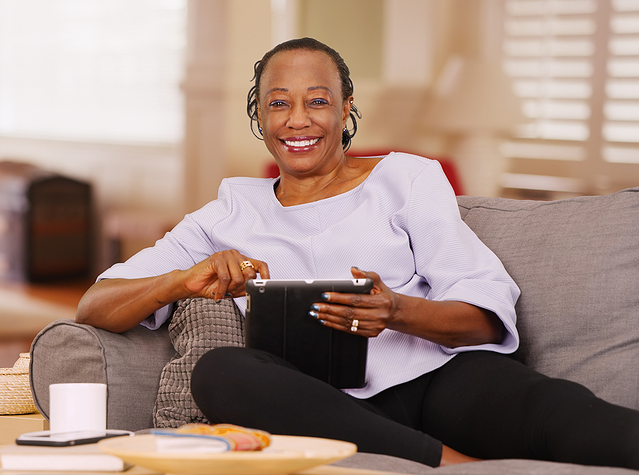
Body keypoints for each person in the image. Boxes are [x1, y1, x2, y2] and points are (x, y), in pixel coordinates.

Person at [75, 37, 639, 468]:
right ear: (260, 118)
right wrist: (180, 280)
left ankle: (397, 451)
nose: (299, 120)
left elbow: (485, 315)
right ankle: (446, 465)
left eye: (317, 101)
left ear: (346, 109)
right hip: (320, 399)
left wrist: (397, 311)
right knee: (222, 372)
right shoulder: (226, 214)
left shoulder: (407, 180)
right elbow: (94, 305)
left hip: (443, 380)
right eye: (279, 104)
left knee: (577, 421)